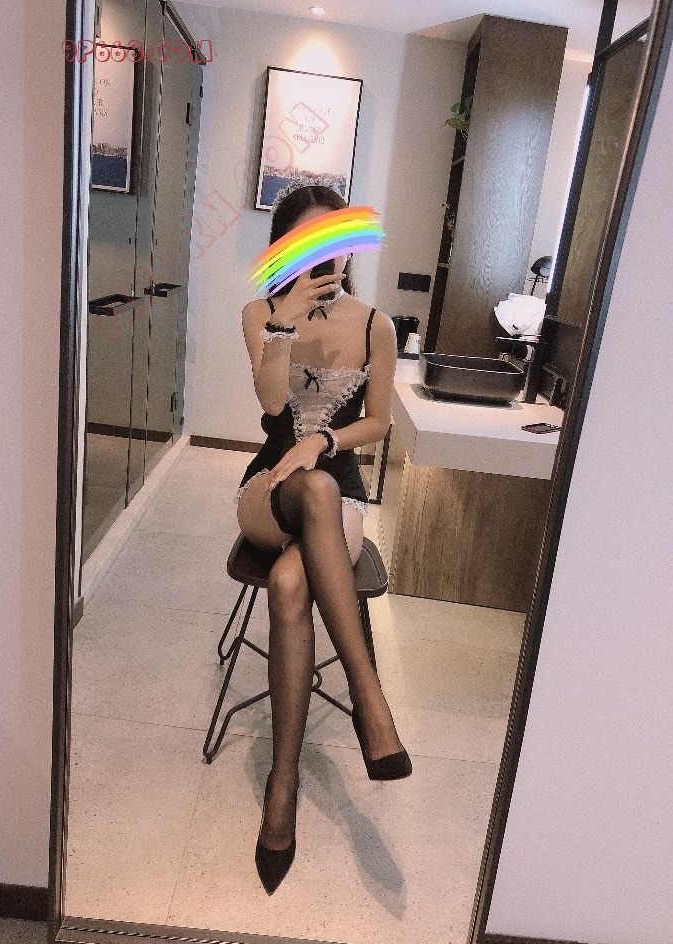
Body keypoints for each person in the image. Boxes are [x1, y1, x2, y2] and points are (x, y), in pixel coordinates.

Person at [235, 181, 412, 894]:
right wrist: (283, 324)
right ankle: (371, 700)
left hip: (337, 485)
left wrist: (326, 440)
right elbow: (273, 403)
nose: (321, 255)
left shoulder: (375, 324)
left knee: (290, 577)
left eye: (332, 240)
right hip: (269, 486)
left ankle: (281, 793)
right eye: (305, 242)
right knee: (307, 487)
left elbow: (379, 422)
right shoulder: (259, 312)